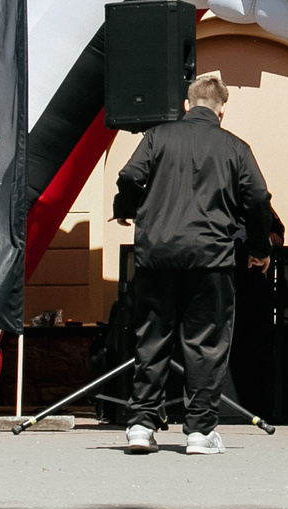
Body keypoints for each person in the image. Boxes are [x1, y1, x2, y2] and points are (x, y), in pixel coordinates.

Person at [112, 71, 272, 456]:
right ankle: (200, 431)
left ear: (187, 104)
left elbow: (130, 175)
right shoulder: (236, 147)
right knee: (206, 341)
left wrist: (127, 209)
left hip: (157, 254)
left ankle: (140, 424)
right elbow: (258, 197)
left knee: (152, 336)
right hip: (211, 257)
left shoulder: (157, 137)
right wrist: (258, 247)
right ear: (222, 110)